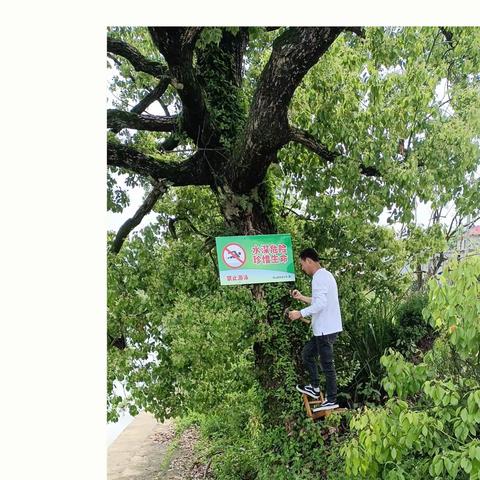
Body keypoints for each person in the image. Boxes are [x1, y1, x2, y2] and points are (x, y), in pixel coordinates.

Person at [288, 247, 343, 410]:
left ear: (309, 261)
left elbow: (321, 304)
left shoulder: (318, 278)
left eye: (302, 264)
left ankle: (332, 399)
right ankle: (315, 387)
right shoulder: (326, 275)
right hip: (325, 328)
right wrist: (301, 298)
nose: (302, 268)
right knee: (307, 354)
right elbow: (319, 300)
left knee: (327, 364)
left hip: (325, 329)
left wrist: (299, 313)